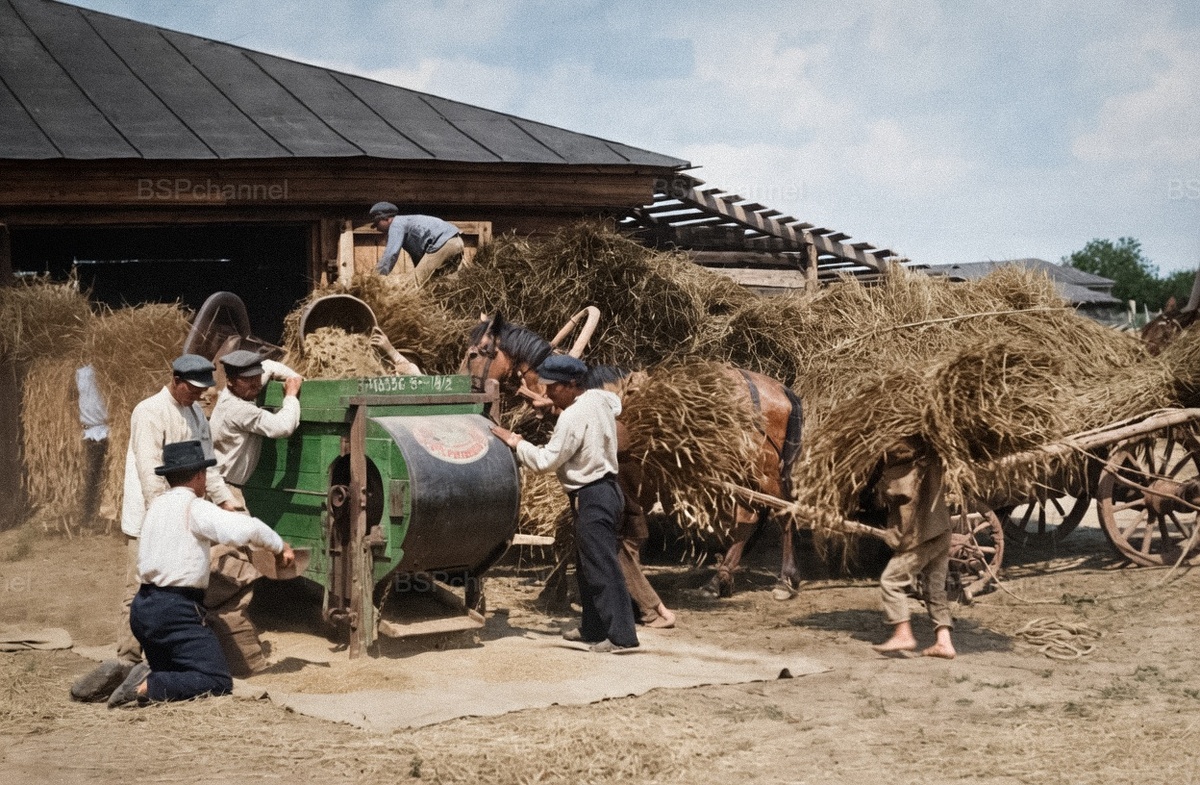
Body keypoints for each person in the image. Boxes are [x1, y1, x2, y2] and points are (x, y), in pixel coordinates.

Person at [106, 439, 295, 708]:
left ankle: (137, 676)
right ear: (199, 475)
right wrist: (280, 547)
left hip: (142, 609)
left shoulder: (156, 507)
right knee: (216, 680)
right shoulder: (194, 507)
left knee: (181, 674)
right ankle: (148, 683)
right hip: (175, 611)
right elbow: (247, 529)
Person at [491, 354, 638, 653]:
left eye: (553, 388)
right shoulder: (599, 398)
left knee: (601, 567)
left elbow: (546, 461)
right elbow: (614, 405)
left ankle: (622, 637)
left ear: (572, 384)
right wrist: (557, 407)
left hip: (592, 494)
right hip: (606, 491)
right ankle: (593, 629)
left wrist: (517, 442)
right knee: (587, 566)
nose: (547, 392)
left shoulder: (573, 416)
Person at [116, 354, 237, 665]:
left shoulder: (196, 412)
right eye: (193, 389)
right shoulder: (150, 412)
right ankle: (128, 658)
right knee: (142, 586)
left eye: (202, 391)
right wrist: (161, 518)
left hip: (185, 514)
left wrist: (224, 499)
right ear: (176, 380)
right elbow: (149, 470)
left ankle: (167, 655)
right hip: (150, 517)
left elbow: (207, 462)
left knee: (178, 588)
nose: (199, 396)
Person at [207, 349, 303, 675]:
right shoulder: (235, 408)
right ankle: (239, 655)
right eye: (247, 382)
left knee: (230, 566)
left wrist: (287, 373)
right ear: (230, 381)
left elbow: (270, 368)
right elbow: (280, 428)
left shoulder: (243, 385)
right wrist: (291, 394)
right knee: (233, 571)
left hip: (229, 486)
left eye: (255, 379)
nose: (255, 386)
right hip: (224, 491)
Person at [871, 436, 956, 660]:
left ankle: (903, 634)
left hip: (922, 536)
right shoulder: (933, 458)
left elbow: (898, 502)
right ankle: (944, 642)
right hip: (942, 531)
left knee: (891, 581)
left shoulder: (902, 472)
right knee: (935, 588)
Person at [369, 201, 465, 287]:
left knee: (413, 284)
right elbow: (421, 260)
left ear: (387, 219)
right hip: (457, 242)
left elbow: (391, 254)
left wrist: (375, 278)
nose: (377, 229)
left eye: (377, 223)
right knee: (441, 283)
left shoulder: (396, 224)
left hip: (443, 243)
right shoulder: (408, 222)